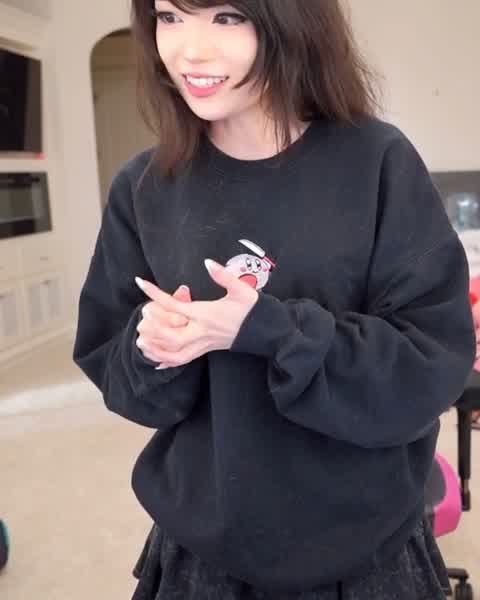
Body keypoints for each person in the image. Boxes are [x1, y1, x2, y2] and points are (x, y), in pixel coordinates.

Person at [72, 1, 476, 598]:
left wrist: (270, 330)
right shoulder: (144, 186)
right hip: (203, 546)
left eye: (226, 17)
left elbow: (431, 364)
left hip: (365, 546)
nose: (189, 50)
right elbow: (112, 361)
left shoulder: (378, 162)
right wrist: (151, 346)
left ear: (291, 19)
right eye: (169, 17)